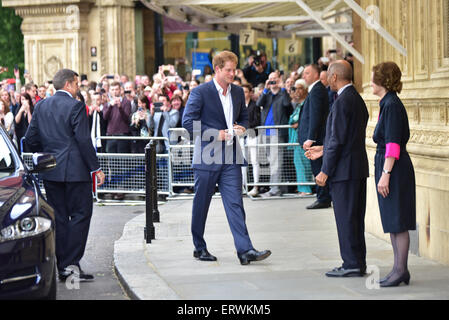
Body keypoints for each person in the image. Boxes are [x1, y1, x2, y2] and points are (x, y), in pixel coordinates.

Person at [182, 50, 271, 265]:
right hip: (207, 156)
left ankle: (245, 250)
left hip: (231, 156)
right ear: (218, 69)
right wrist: (215, 134)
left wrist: (242, 128)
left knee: (235, 204)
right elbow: (187, 122)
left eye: (234, 69)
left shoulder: (239, 92)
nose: (233, 73)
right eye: (228, 70)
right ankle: (199, 247)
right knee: (201, 204)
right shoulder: (200, 92)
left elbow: (244, 118)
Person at [24, 68, 105, 282]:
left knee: (59, 217)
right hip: (76, 171)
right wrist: (96, 168)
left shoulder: (41, 105)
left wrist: (48, 151)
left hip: (50, 171)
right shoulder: (76, 105)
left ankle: (64, 265)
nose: (79, 87)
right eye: (77, 84)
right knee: (80, 215)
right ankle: (70, 264)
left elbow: (30, 139)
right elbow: (83, 140)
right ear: (68, 84)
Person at [312, 60, 369, 277]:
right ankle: (357, 261)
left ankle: (351, 264)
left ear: (335, 77)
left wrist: (325, 170)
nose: (327, 80)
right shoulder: (356, 99)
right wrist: (323, 149)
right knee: (355, 218)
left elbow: (338, 140)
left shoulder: (342, 101)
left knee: (346, 219)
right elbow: (346, 138)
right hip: (356, 169)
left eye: (328, 76)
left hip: (344, 172)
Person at [371, 62, 416, 287]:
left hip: (394, 168)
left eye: (373, 77)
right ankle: (399, 269)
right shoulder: (387, 103)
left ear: (382, 80)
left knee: (398, 219)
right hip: (388, 166)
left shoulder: (392, 105)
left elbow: (393, 143)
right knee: (392, 219)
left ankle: (400, 270)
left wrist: (386, 173)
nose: (370, 81)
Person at [299, 64, 331, 209]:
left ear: (316, 75)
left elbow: (316, 116)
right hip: (314, 139)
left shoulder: (318, 90)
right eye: (303, 73)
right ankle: (322, 196)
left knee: (318, 168)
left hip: (316, 140)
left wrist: (311, 137)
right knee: (316, 168)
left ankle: (323, 198)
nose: (303, 76)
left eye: (307, 73)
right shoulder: (314, 90)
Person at [256, 71, 293, 197]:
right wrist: (265, 90)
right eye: (270, 79)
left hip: (277, 132)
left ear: (279, 79)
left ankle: (275, 189)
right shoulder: (268, 95)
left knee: (276, 161)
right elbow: (258, 104)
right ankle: (279, 188)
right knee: (272, 161)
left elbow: (287, 104)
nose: (272, 81)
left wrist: (282, 87)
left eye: (275, 79)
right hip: (266, 132)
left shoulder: (282, 94)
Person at [288, 79, 313, 196]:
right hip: (296, 139)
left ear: (305, 89)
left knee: (304, 165)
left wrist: (298, 124)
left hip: (302, 139)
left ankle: (306, 189)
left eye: (299, 88)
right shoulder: (299, 105)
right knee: (299, 164)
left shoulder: (306, 103)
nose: (296, 91)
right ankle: (303, 187)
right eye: (294, 88)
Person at [241, 84, 261, 197]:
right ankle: (244, 186)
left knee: (254, 161)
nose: (244, 94)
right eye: (242, 92)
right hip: (241, 137)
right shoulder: (238, 106)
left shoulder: (255, 105)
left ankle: (255, 186)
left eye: (245, 91)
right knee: (242, 163)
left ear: (250, 92)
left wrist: (244, 127)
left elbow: (257, 121)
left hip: (252, 135)